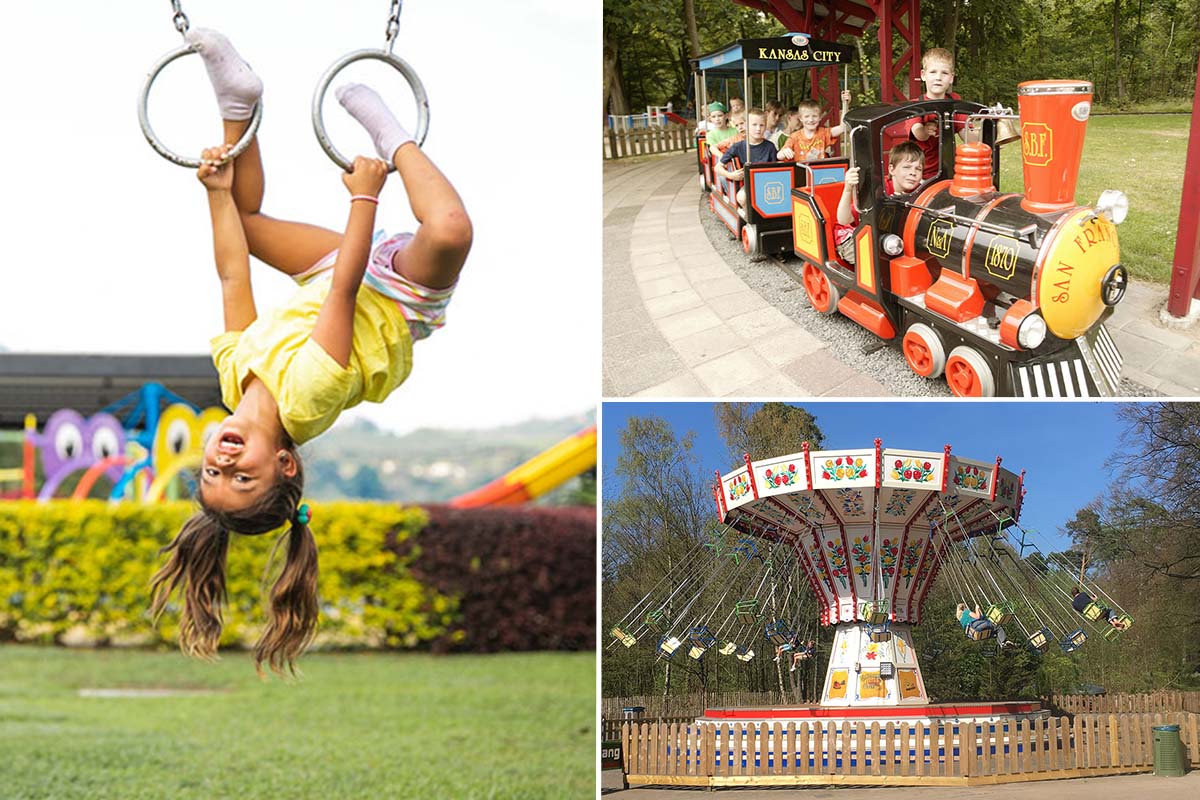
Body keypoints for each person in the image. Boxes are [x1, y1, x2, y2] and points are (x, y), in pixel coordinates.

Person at [148, 29, 472, 675]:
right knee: (452, 231)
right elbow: (347, 297)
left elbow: (233, 276)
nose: (224, 461)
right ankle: (394, 135)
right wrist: (365, 194)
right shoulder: (307, 400)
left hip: (331, 272)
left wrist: (215, 193)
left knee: (242, 214)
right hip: (396, 298)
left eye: (213, 474)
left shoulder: (234, 376)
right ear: (286, 466)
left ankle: (236, 99)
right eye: (244, 477)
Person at [833, 141, 924, 264]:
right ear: (892, 169)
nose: (913, 172)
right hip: (854, 233)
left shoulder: (918, 190)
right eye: (906, 167)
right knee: (870, 260)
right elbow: (844, 220)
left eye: (918, 169)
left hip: (887, 234)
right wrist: (848, 188)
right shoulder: (879, 190)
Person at [903, 47, 966, 179]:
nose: (938, 77)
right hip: (920, 174)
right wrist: (925, 131)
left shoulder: (955, 101)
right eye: (933, 72)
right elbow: (918, 133)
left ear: (951, 78)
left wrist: (988, 133)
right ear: (923, 75)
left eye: (944, 73)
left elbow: (966, 134)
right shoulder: (915, 104)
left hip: (951, 171)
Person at [716, 108, 778, 208]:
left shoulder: (770, 146)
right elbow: (717, 168)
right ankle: (749, 218)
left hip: (768, 183)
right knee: (742, 196)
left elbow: (776, 169)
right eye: (754, 125)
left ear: (765, 126)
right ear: (746, 126)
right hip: (749, 185)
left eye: (761, 125)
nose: (758, 129)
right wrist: (731, 175)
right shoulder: (737, 147)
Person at [777, 91, 852, 162]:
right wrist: (784, 152)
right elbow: (779, 156)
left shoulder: (823, 133)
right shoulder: (794, 137)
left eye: (814, 116)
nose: (811, 120)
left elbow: (843, 127)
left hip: (821, 171)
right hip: (801, 172)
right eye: (806, 116)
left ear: (820, 117)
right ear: (800, 118)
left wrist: (845, 104)